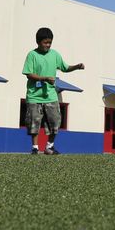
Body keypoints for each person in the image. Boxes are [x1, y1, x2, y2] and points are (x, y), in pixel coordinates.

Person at [22, 27, 85, 155]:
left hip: (51, 95)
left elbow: (65, 67)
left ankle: (49, 147)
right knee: (34, 123)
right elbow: (29, 74)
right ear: (38, 42)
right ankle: (35, 148)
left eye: (50, 42)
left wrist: (77, 67)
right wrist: (44, 78)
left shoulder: (55, 54)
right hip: (34, 96)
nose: (48, 45)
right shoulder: (32, 55)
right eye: (45, 42)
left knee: (55, 121)